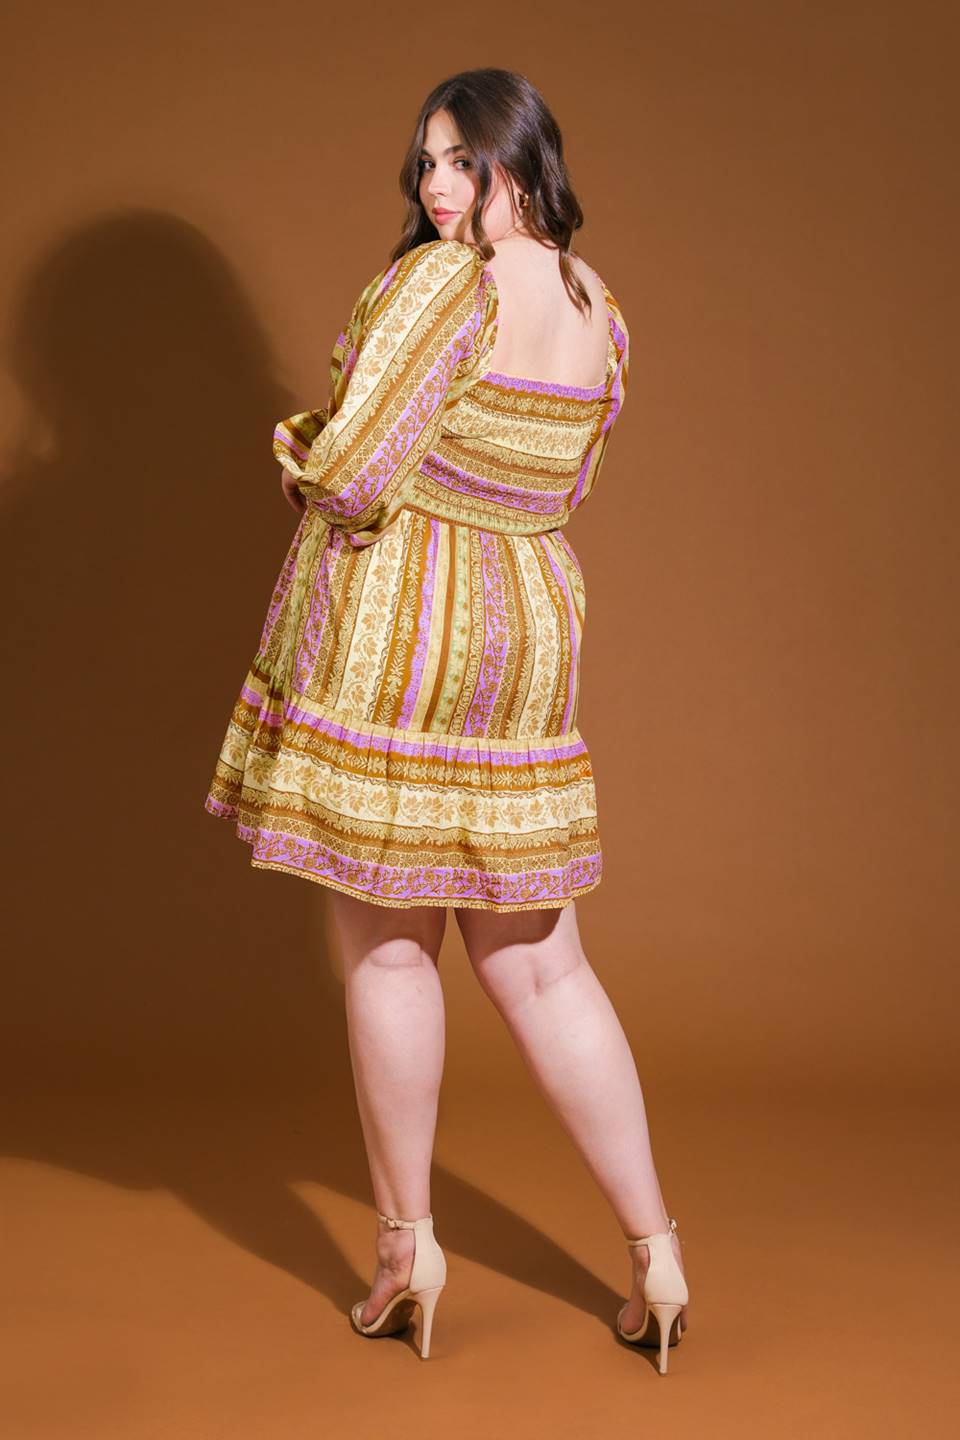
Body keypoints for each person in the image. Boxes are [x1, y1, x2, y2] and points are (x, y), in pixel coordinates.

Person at [203, 67, 690, 1372]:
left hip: (407, 624)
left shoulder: (443, 285)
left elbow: (356, 472)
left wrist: (298, 449)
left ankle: (406, 1252)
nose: (436, 185)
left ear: (520, 159)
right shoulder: (598, 307)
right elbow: (567, 482)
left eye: (462, 160)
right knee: (544, 963)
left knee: (387, 951)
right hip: (531, 622)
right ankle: (657, 1253)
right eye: (425, 161)